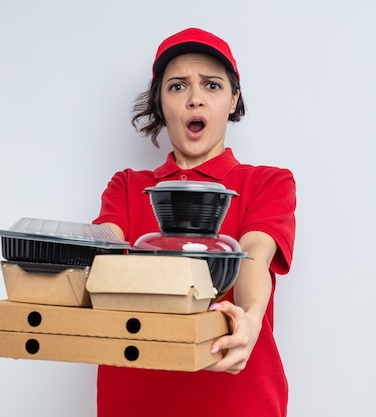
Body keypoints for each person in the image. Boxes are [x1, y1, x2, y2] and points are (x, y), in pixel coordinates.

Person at [93, 27, 296, 417]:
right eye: (178, 87)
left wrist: (250, 318)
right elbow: (102, 255)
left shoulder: (267, 182)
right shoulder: (127, 186)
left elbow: (254, 253)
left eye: (213, 86)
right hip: (133, 401)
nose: (195, 99)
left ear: (233, 99)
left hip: (240, 401)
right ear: (160, 102)